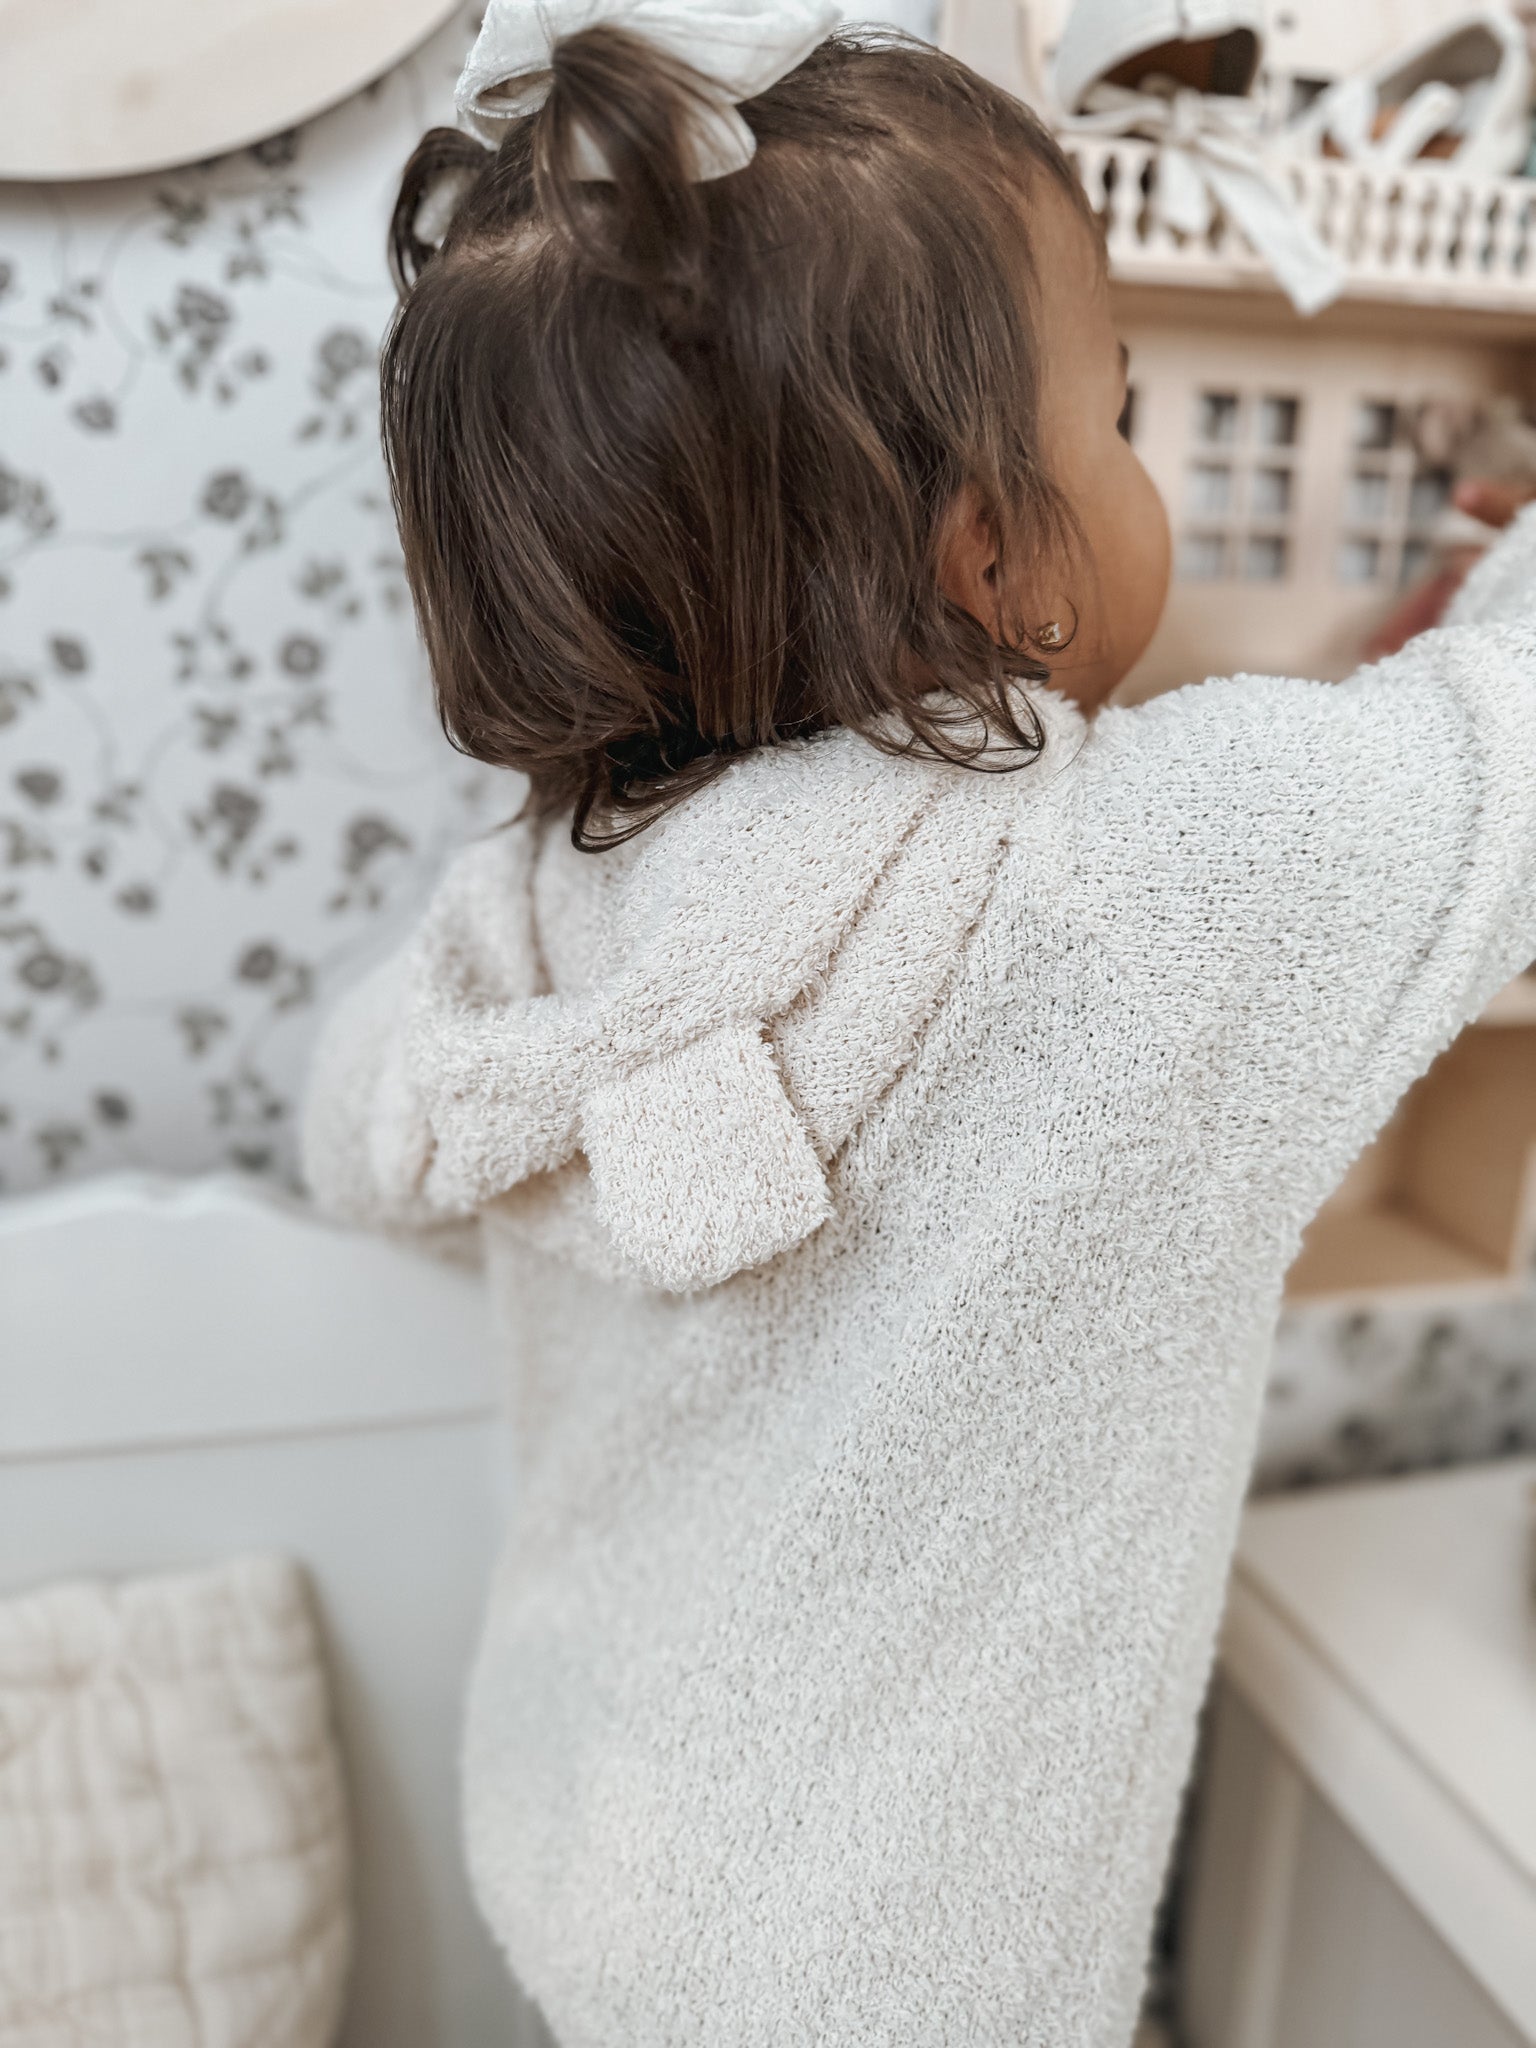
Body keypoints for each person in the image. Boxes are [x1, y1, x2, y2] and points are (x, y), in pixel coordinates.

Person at [302, 14, 1536, 2045]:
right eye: (1118, 412)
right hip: (922, 1983)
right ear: (994, 558)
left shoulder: (527, 916)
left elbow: (363, 1125)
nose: (1138, 450)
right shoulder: (1150, 893)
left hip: (597, 1874)